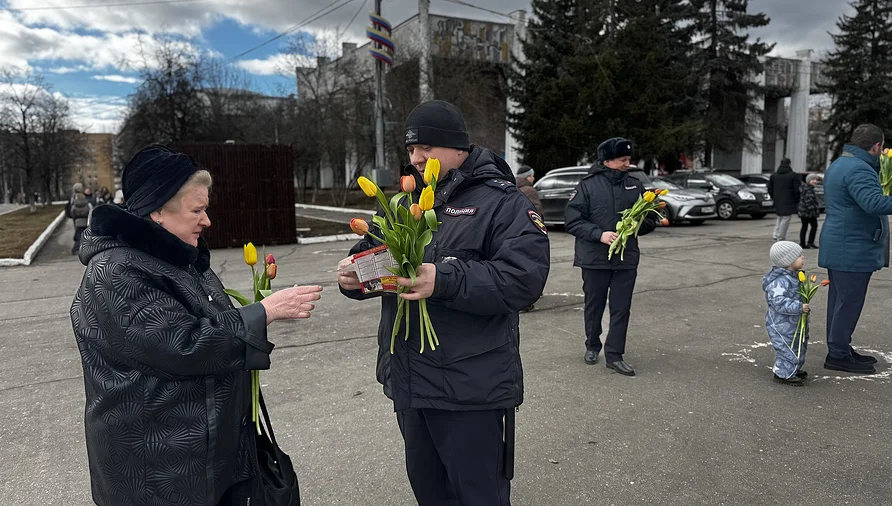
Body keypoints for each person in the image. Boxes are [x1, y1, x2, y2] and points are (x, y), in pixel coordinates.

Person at [70, 145, 323, 506]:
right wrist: (263, 312)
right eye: (198, 210)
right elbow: (183, 346)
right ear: (157, 210)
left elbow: (215, 324)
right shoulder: (116, 271)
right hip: (158, 470)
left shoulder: (179, 260)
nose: (207, 221)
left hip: (201, 454)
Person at [338, 100, 550, 506]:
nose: (416, 158)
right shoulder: (403, 202)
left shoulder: (502, 203)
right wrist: (354, 276)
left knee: (479, 496)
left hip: (470, 389)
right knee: (430, 493)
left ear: (458, 148)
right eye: (411, 149)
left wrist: (445, 279)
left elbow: (524, 280)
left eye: (427, 149)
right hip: (411, 381)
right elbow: (375, 256)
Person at [565, 137, 657, 376]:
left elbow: (649, 218)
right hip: (594, 258)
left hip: (626, 259)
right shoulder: (587, 186)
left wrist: (638, 225)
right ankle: (592, 345)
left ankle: (615, 355)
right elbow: (573, 221)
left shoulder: (635, 185)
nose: (628, 163)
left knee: (621, 308)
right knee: (594, 306)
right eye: (622, 160)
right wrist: (599, 235)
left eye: (629, 159)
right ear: (607, 161)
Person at [818, 124, 892, 374]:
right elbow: (873, 203)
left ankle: (840, 348)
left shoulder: (841, 164)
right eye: (882, 147)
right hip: (851, 249)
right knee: (849, 302)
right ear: (876, 146)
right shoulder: (858, 169)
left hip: (842, 245)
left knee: (840, 301)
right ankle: (838, 355)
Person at [763, 241, 810, 386]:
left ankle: (793, 368)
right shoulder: (780, 281)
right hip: (781, 323)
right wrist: (798, 306)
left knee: (799, 344)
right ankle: (783, 373)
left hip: (794, 321)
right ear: (788, 261)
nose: (803, 258)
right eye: (798, 256)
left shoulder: (793, 276)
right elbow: (778, 302)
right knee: (787, 347)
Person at [767, 158, 801, 242]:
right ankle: (781, 236)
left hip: (778, 199)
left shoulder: (774, 176)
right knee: (786, 218)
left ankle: (775, 234)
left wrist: (774, 197)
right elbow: (797, 189)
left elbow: (770, 189)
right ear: (789, 164)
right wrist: (796, 199)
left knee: (779, 217)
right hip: (789, 199)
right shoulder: (793, 175)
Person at [67, 183, 92, 255]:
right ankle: (84, 249)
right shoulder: (84, 198)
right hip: (85, 218)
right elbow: (88, 208)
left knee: (78, 233)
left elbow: (71, 210)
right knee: (85, 234)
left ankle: (77, 248)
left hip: (77, 219)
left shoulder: (73, 198)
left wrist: (74, 216)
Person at [798, 174, 821, 248]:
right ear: (808, 181)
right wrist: (813, 211)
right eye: (813, 180)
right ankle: (810, 242)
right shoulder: (808, 189)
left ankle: (803, 243)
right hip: (808, 212)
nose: (815, 181)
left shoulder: (805, 188)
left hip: (803, 211)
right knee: (814, 226)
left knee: (804, 226)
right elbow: (809, 201)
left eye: (816, 180)